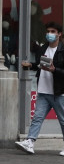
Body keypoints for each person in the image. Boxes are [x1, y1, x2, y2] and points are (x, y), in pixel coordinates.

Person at [15, 21, 64, 156]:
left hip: (58, 92)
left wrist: (54, 70)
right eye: (48, 31)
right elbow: (41, 65)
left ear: (59, 34)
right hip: (43, 90)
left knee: (63, 120)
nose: (50, 34)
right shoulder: (43, 49)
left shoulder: (62, 50)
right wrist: (30, 65)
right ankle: (30, 142)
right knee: (37, 117)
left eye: (53, 32)